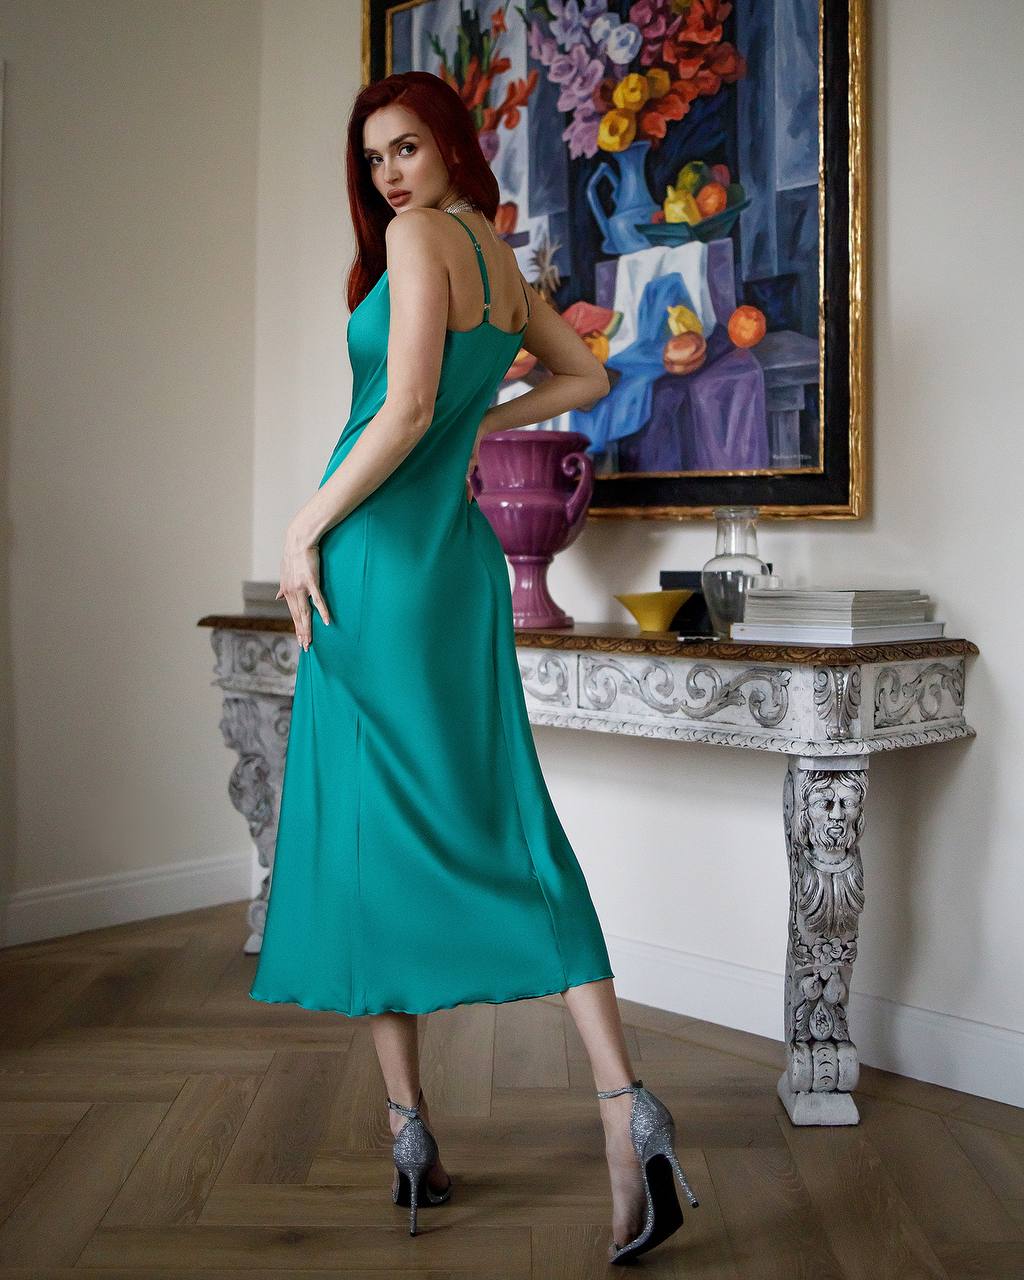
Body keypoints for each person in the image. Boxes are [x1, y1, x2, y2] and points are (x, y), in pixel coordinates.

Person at [248, 69, 698, 1263]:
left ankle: (410, 1130)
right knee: (498, 810)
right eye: (375, 159)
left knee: (371, 823)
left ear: (450, 142)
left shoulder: (413, 239)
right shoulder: (497, 258)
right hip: (450, 564)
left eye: (406, 147)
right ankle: (621, 1109)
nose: (391, 174)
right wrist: (477, 424)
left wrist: (303, 527)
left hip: (373, 554)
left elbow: (396, 413)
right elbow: (585, 379)